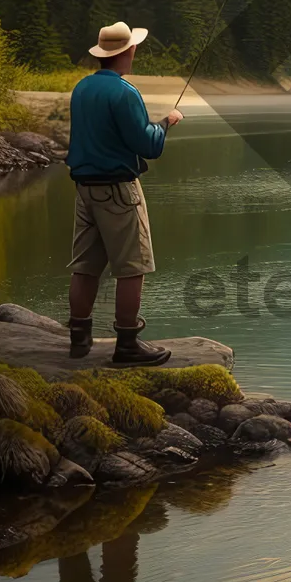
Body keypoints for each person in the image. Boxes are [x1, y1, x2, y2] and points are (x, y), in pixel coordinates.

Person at [65, 21, 183, 365]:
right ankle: (127, 344)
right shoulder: (124, 92)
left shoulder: (82, 88)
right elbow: (148, 146)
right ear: (128, 52)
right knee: (133, 267)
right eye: (134, 48)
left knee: (85, 265)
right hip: (118, 190)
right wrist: (167, 123)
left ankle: (78, 339)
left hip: (85, 190)